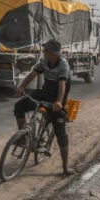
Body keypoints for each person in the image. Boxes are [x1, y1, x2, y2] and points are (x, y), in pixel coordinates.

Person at [13, 39, 72, 176]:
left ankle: (65, 168)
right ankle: (23, 138)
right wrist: (22, 87)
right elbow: (32, 75)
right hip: (44, 93)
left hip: (58, 98)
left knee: (61, 134)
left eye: (46, 49)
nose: (43, 51)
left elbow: (62, 85)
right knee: (19, 107)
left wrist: (58, 102)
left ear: (52, 53)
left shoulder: (63, 65)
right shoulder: (45, 61)